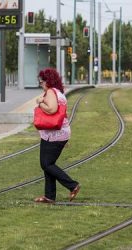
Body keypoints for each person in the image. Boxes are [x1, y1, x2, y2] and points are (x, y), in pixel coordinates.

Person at [34, 68, 80, 204]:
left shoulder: (50, 92)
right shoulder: (58, 92)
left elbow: (52, 109)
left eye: (41, 82)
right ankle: (49, 196)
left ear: (48, 81)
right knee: (48, 164)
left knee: (46, 164)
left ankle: (72, 185)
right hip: (56, 133)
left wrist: (40, 102)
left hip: (54, 133)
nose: (41, 85)